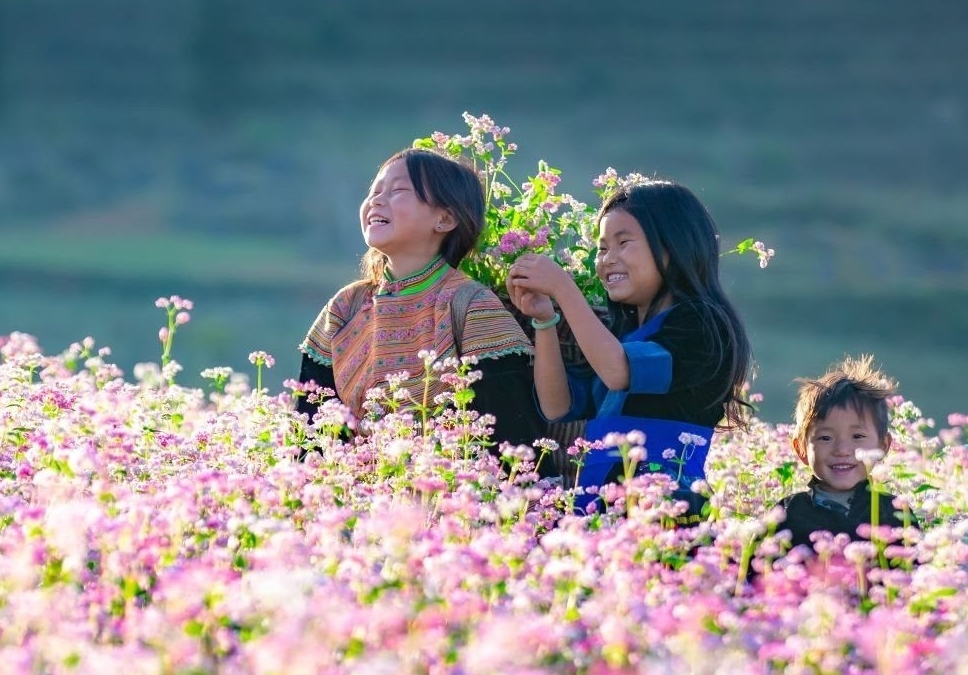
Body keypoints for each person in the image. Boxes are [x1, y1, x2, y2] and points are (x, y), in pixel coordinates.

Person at [506, 180, 752, 519]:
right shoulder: (619, 337)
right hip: (598, 504)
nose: (608, 259)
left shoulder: (702, 324)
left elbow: (620, 372)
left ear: (673, 246)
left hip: (665, 506)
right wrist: (545, 321)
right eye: (603, 248)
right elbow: (557, 405)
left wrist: (564, 288)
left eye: (623, 243)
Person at [295, 147, 547, 461]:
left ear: (445, 218)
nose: (376, 200)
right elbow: (309, 435)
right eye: (374, 191)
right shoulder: (345, 307)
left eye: (398, 190)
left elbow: (509, 439)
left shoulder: (472, 307)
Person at [774, 354, 907, 550]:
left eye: (857, 437)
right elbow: (756, 574)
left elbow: (914, 574)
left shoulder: (895, 513)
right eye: (825, 438)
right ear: (801, 449)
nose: (842, 451)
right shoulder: (788, 513)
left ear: (883, 446)